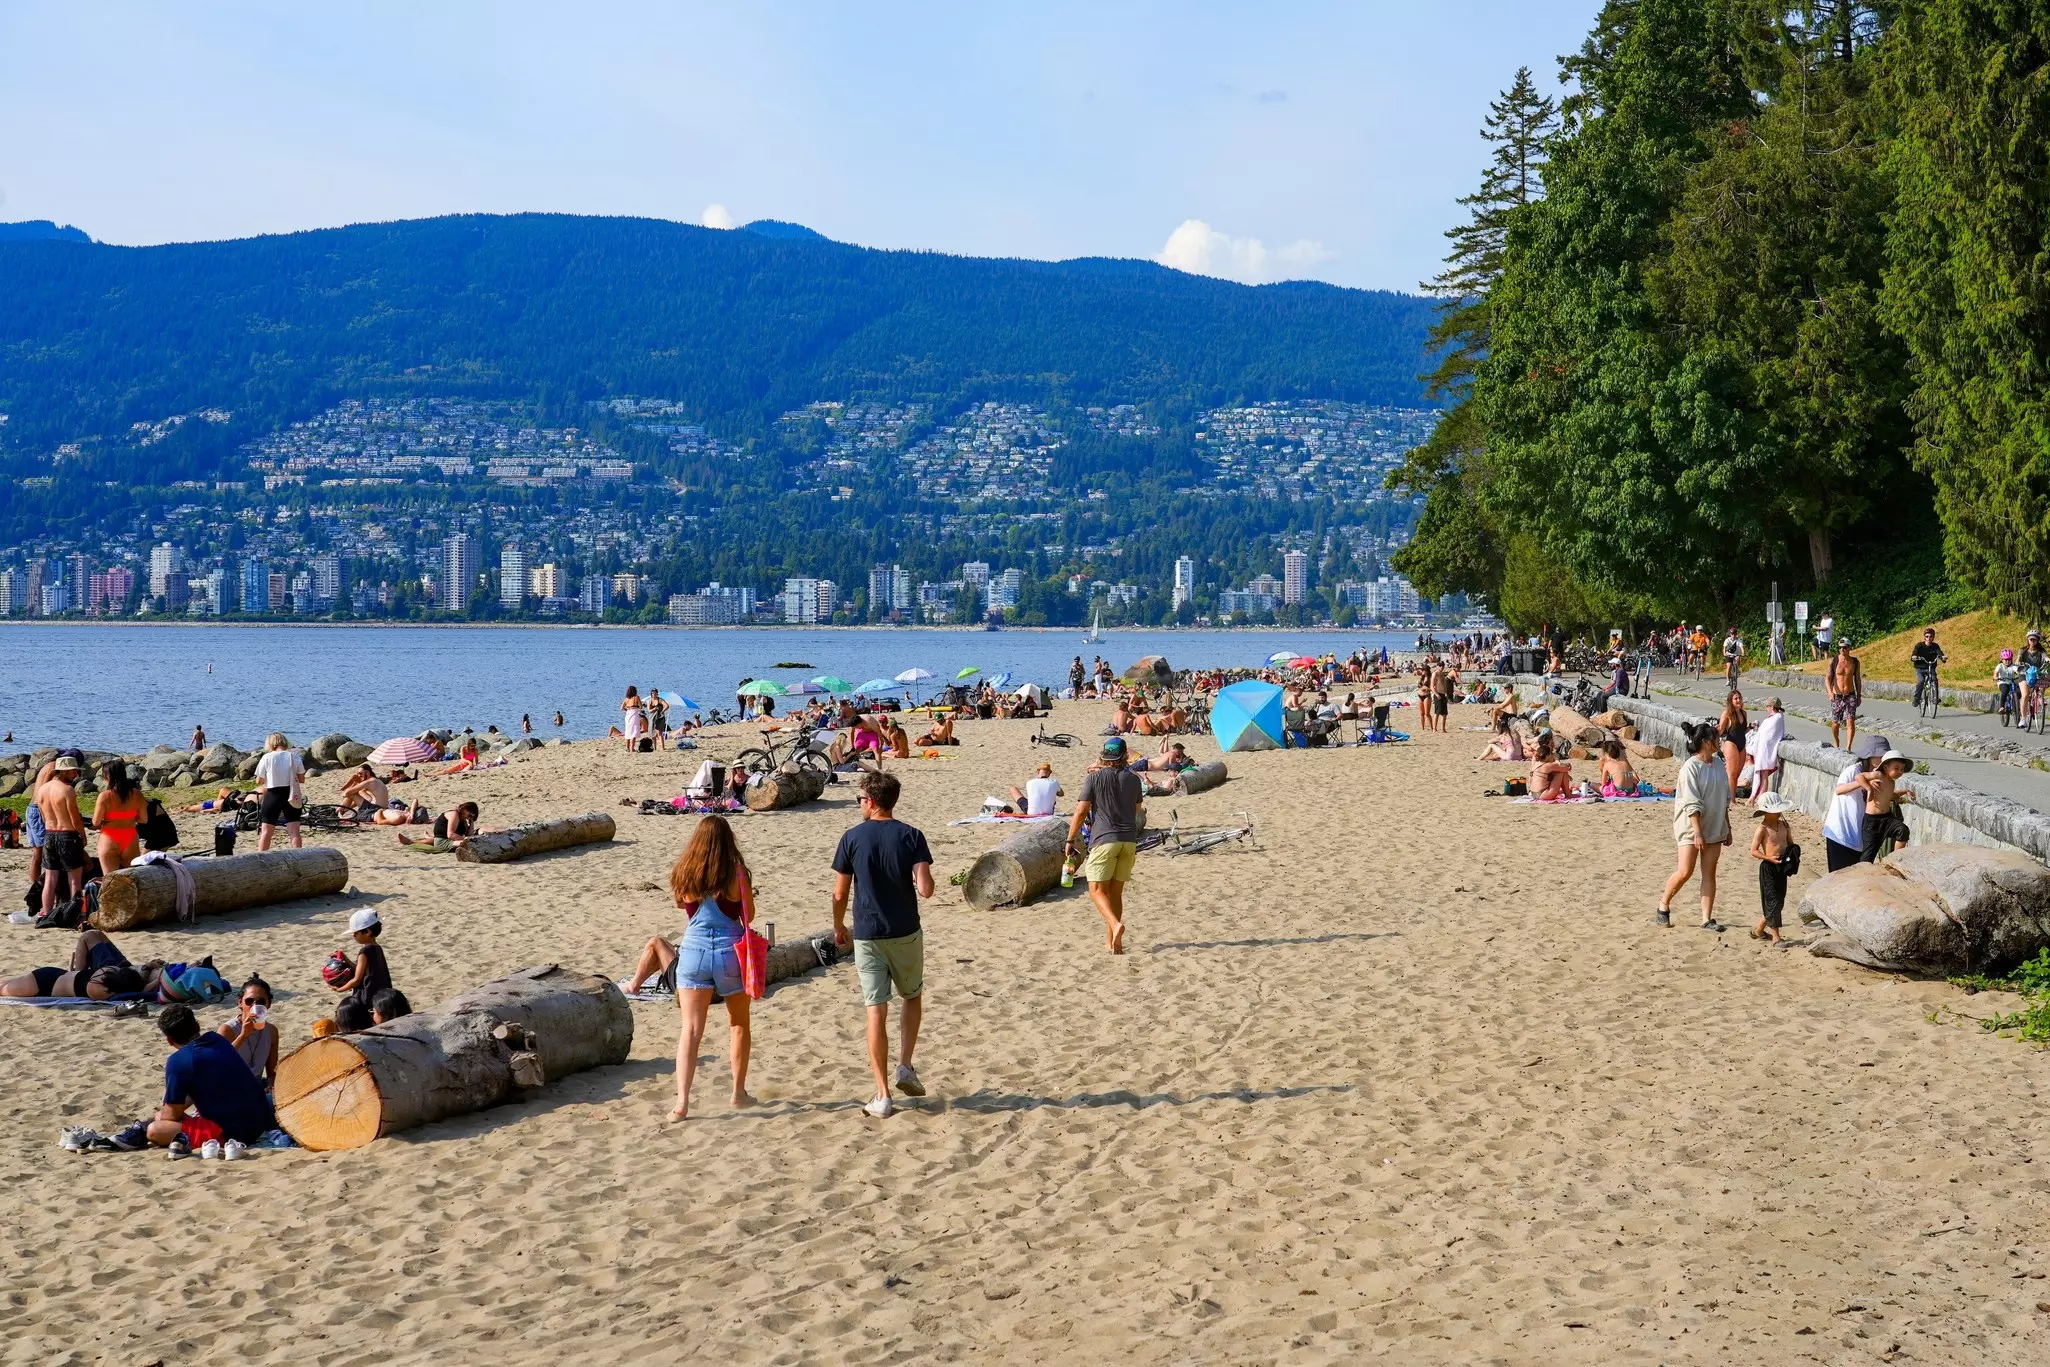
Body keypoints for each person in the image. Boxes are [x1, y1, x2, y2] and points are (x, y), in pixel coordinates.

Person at [830, 771, 935, 1119]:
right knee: (912, 995)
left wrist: (838, 926)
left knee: (876, 1008)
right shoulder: (912, 835)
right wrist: (920, 875)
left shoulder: (852, 838)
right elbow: (926, 889)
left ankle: (882, 1094)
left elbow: (840, 892)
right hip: (905, 930)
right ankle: (905, 1064)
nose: (859, 804)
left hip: (868, 933)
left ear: (871, 802)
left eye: (861, 799)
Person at [654, 816, 760, 1120]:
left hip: (693, 952)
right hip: (729, 952)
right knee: (738, 1024)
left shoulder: (685, 872)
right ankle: (738, 1093)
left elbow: (680, 904)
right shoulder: (736, 873)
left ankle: (682, 1103)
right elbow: (748, 915)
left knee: (690, 1029)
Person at [145, 1003, 277, 1152]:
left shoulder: (178, 1061)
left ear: (169, 1040)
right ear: (197, 1025)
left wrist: (169, 1109)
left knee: (156, 1128)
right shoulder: (217, 1040)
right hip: (259, 1122)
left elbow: (170, 1116)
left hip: (232, 1133)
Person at [1066, 737, 1145, 955]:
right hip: (1128, 840)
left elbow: (1081, 811)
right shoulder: (1134, 780)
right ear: (1125, 756)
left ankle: (1115, 925)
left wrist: (1070, 839)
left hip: (1104, 840)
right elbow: (1137, 809)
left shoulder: (1094, 778)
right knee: (1115, 894)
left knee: (1096, 890)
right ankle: (1112, 943)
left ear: (1103, 756)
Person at [1658, 721, 1732, 931]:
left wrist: (1727, 827)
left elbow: (1724, 798)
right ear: (1707, 742)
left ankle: (1706, 918)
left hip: (1715, 825)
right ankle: (1663, 905)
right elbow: (1691, 802)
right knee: (1685, 871)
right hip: (1691, 827)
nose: (1720, 741)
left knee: (1709, 872)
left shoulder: (1718, 763)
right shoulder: (1690, 767)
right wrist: (1697, 832)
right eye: (1716, 739)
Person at [1, 928, 147, 999]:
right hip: (44, 983)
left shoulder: (108, 970)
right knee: (3, 989)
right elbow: (137, 993)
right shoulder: (99, 990)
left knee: (6, 984)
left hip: (50, 978)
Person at [1823, 734, 1887, 870]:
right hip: (1840, 834)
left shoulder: (1879, 775)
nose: (1882, 760)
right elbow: (1839, 789)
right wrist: (1862, 783)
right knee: (1838, 878)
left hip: (1860, 836)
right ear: (1869, 756)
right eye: (1880, 756)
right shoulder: (1853, 771)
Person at [34, 755, 87, 919]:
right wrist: (83, 836)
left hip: (50, 835)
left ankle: (46, 912)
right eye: (73, 772)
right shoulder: (67, 790)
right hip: (67, 835)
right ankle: (74, 913)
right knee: (74, 879)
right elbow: (75, 819)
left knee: (50, 879)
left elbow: (43, 816)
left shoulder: (42, 789)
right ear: (65, 771)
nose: (75, 775)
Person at [1748, 793, 1798, 946]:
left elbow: (1790, 844)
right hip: (1768, 867)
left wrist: (1792, 856)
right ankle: (1776, 937)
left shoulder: (1784, 826)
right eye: (1776, 810)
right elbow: (1754, 850)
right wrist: (1768, 858)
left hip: (1781, 867)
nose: (1779, 813)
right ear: (1766, 811)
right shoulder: (1762, 829)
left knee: (1779, 901)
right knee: (1772, 901)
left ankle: (1759, 929)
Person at [1853, 750, 1916, 863]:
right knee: (1868, 857)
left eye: (1902, 769)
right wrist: (1869, 788)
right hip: (1872, 821)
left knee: (1903, 830)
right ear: (1886, 767)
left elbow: (1891, 796)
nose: (1899, 772)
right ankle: (1861, 876)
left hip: (1887, 818)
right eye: (1896, 768)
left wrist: (1906, 792)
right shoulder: (1878, 775)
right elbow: (1859, 777)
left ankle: (1895, 860)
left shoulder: (1891, 782)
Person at [328, 908, 392, 1018]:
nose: (353, 935)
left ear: (367, 932)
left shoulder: (364, 952)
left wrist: (340, 989)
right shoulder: (377, 948)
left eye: (355, 933)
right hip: (382, 995)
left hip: (368, 997)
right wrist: (345, 958)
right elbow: (363, 970)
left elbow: (357, 979)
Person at [218, 974, 279, 1089]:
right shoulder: (228, 1030)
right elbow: (217, 1065)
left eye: (261, 1001)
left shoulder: (271, 1031)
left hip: (257, 1088)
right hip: (231, 1088)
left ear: (268, 1004)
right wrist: (243, 1035)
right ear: (240, 1002)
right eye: (249, 1001)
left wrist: (271, 1085)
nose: (254, 1005)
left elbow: (272, 1072)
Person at [91, 760, 148, 874]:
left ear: (107, 776)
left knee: (110, 879)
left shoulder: (104, 796)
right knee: (131, 878)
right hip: (130, 836)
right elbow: (143, 819)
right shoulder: (136, 794)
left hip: (109, 837)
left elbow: (96, 822)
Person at [253, 732, 305, 852]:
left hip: (273, 794)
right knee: (294, 832)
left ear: (271, 743)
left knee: (266, 832)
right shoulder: (294, 756)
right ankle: (298, 858)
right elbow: (302, 779)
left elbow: (259, 780)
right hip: (291, 794)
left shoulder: (267, 757)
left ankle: (262, 859)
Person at [1746, 697, 1787, 805]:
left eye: (1768, 706)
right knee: (1761, 774)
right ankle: (1754, 796)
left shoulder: (1777, 718)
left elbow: (1770, 734)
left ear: (1772, 707)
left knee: (1763, 774)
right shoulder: (1772, 718)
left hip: (1767, 750)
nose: (1767, 708)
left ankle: (1759, 797)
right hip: (1763, 749)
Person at [395, 801, 479, 851]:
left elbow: (469, 835)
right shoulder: (454, 814)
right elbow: (451, 835)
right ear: (465, 809)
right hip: (443, 840)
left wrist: (471, 822)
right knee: (465, 842)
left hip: (443, 838)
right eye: (470, 814)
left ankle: (415, 840)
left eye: (473, 816)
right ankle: (411, 842)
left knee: (468, 841)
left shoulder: (463, 817)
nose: (470, 817)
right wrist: (466, 839)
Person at [1825, 639, 1862, 750]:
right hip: (1837, 696)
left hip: (1850, 695)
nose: (1842, 649)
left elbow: (1858, 679)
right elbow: (1827, 678)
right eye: (1840, 647)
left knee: (1850, 721)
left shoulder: (1855, 662)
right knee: (1835, 723)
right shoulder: (1834, 661)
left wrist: (1859, 695)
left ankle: (1848, 747)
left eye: (1845, 647)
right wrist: (1830, 692)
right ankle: (1837, 742)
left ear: (1850, 648)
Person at [1717, 691, 1750, 796]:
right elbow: (1721, 729)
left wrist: (1750, 728)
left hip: (1742, 744)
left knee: (1737, 774)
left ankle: (1730, 795)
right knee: (1732, 773)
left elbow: (1742, 730)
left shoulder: (1744, 713)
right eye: (1736, 698)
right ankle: (1731, 799)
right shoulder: (1727, 713)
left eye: (1740, 698)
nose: (1738, 700)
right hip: (1731, 743)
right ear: (1731, 700)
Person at [1528, 733, 1573, 801]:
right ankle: (1568, 794)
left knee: (1560, 771)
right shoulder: (1548, 765)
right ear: (1545, 746)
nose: (1553, 747)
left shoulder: (1537, 758)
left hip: (1533, 793)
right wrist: (1565, 765)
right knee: (1561, 772)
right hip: (1543, 794)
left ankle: (1567, 792)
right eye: (1551, 745)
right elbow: (1565, 768)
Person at [1910, 628, 1947, 711]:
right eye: (1927, 636)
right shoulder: (1919, 645)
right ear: (1924, 637)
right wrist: (1914, 657)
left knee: (1934, 680)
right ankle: (1916, 698)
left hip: (1931, 667)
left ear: (1933, 637)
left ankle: (1935, 698)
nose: (1929, 638)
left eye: (1931, 636)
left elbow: (1939, 653)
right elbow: (1914, 654)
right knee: (1921, 681)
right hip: (1920, 668)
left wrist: (1943, 657)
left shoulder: (1935, 646)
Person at [2019, 629, 2047, 724]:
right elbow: (2018, 660)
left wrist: (2048, 660)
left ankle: (2039, 702)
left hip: (2037, 674)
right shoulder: (2023, 650)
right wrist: (2018, 662)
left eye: (2034, 639)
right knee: (2025, 695)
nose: (2032, 641)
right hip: (2024, 674)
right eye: (2030, 639)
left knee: (2042, 687)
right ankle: (2023, 719)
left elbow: (2045, 657)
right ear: (2027, 640)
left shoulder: (2041, 651)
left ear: (2037, 640)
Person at [621, 685, 647, 753]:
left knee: (628, 731)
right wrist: (638, 706)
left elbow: (621, 708)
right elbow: (641, 706)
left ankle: (627, 748)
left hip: (628, 714)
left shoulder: (626, 699)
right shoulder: (636, 697)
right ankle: (632, 748)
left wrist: (627, 710)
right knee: (633, 732)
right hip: (634, 714)